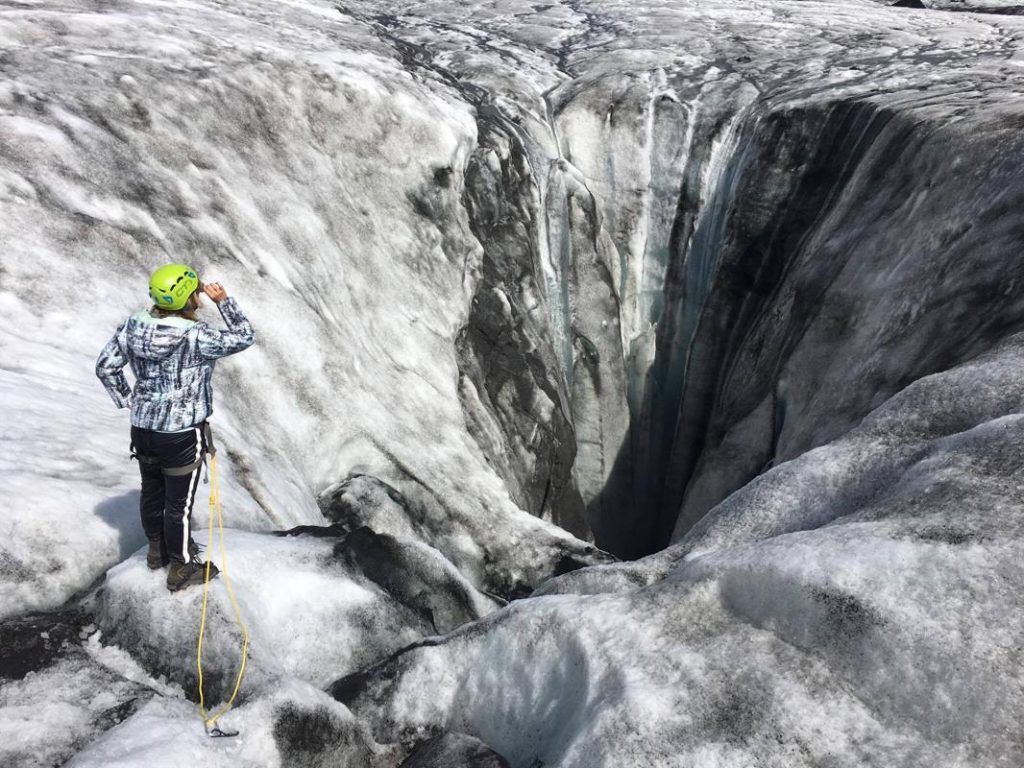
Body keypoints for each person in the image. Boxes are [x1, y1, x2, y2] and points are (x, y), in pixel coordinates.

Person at [96, 264, 255, 592]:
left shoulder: (134, 325)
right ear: (187, 298)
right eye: (196, 291)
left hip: (143, 428)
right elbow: (244, 336)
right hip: (181, 431)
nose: (199, 294)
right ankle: (181, 567)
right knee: (178, 504)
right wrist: (224, 301)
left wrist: (130, 400)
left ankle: (156, 553)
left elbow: (106, 367)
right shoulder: (196, 336)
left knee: (152, 491)